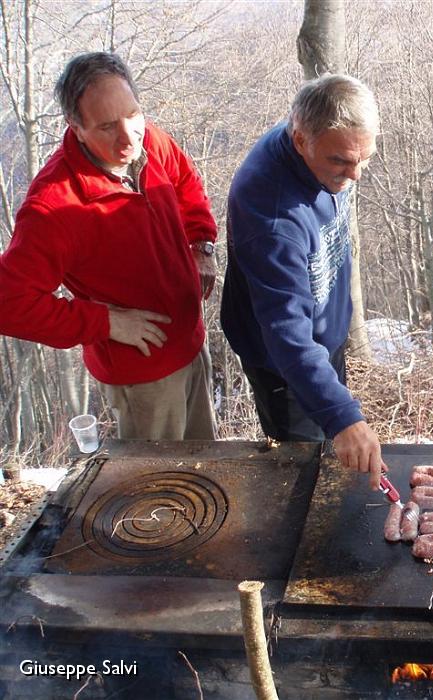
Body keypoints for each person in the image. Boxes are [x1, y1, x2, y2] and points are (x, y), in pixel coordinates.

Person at [0, 52, 218, 440]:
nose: (128, 137)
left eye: (133, 115)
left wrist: (201, 243)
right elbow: (9, 302)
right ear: (76, 127)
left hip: (190, 342)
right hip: (143, 374)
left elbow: (185, 181)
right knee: (160, 489)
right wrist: (105, 322)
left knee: (208, 468)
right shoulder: (55, 206)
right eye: (106, 127)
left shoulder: (146, 139)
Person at [221, 74, 383, 488]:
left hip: (322, 339)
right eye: (342, 162)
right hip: (283, 362)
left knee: (334, 450)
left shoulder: (326, 145)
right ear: (299, 140)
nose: (356, 174)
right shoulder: (273, 217)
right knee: (299, 476)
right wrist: (344, 415)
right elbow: (285, 331)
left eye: (365, 157)